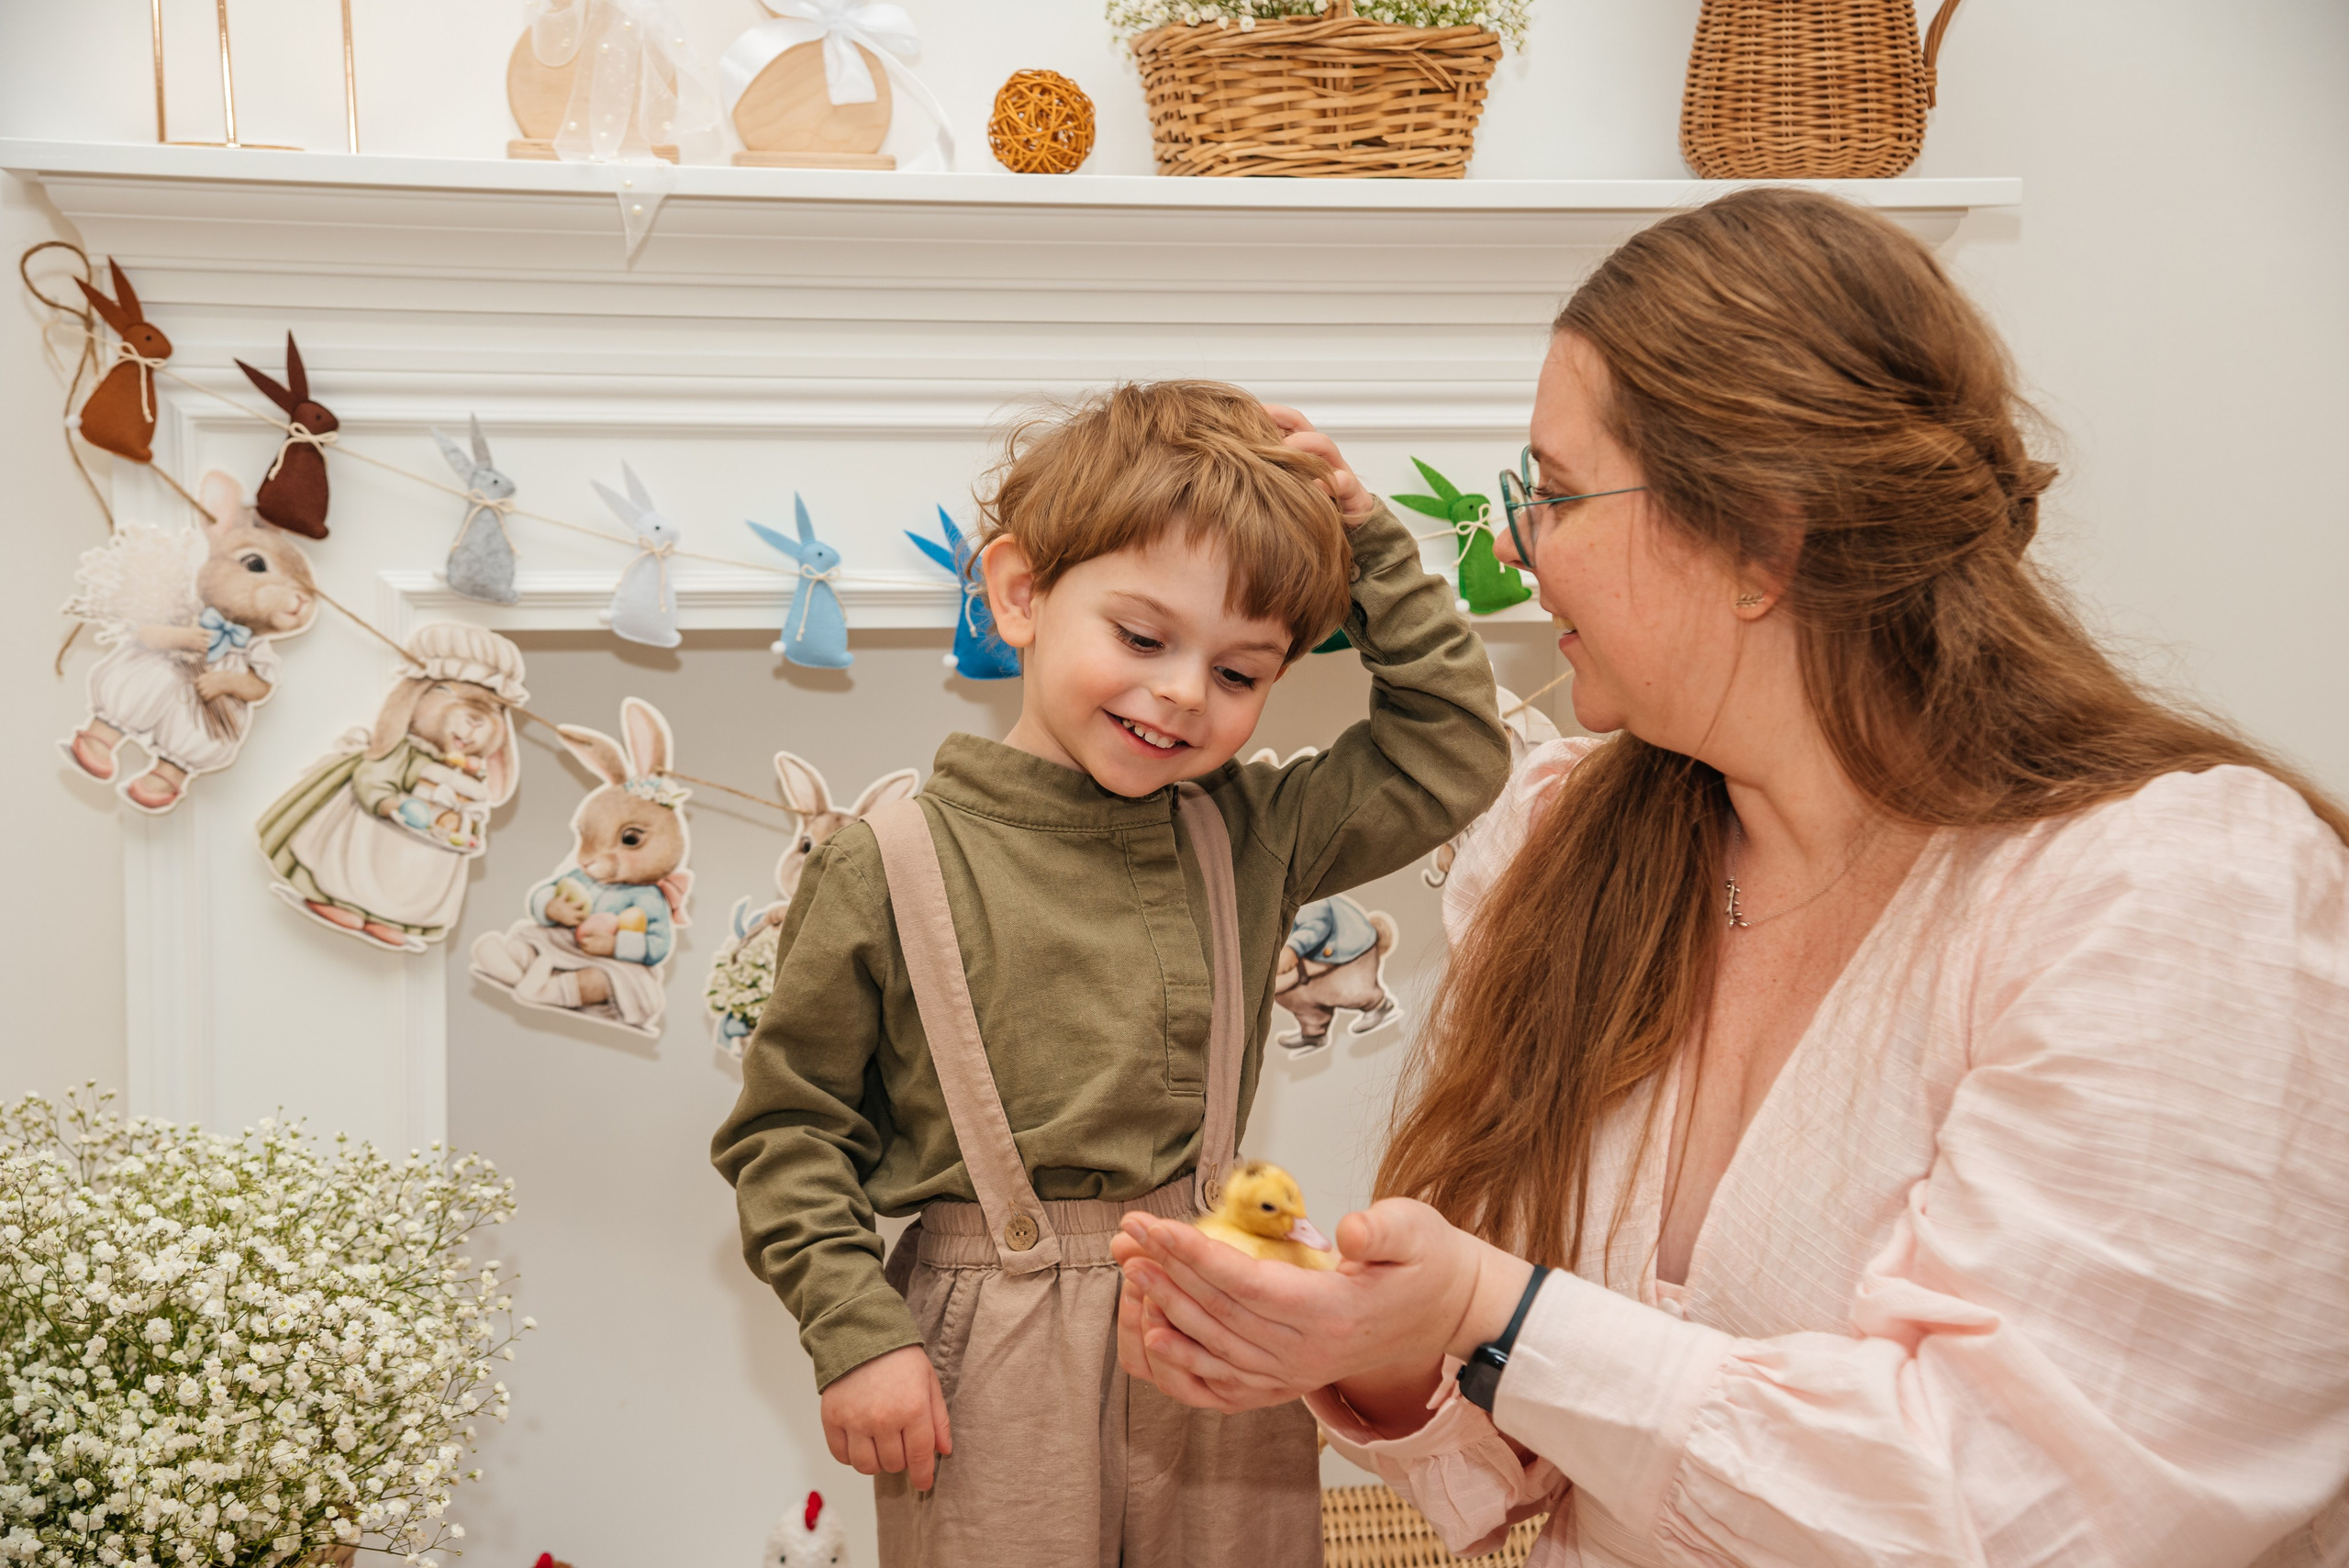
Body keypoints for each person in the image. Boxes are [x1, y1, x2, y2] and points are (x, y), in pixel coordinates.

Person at [1108, 189, 2349, 1568]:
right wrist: (1382, 1344)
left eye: (1556, 493)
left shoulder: (2179, 899)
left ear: (1762, 541)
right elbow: (1526, 1459)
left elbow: (2018, 1516)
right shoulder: (1574, 849)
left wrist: (1494, 1312)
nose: (1516, 544)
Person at [710, 381, 1510, 1568]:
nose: (1184, 691)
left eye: (1240, 673)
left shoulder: (1251, 829)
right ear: (1020, 593)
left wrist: (1371, 544)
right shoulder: (885, 860)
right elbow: (790, 1132)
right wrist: (856, 1329)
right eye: (1143, 638)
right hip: (989, 1347)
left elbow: (1453, 749)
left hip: (1223, 1314)